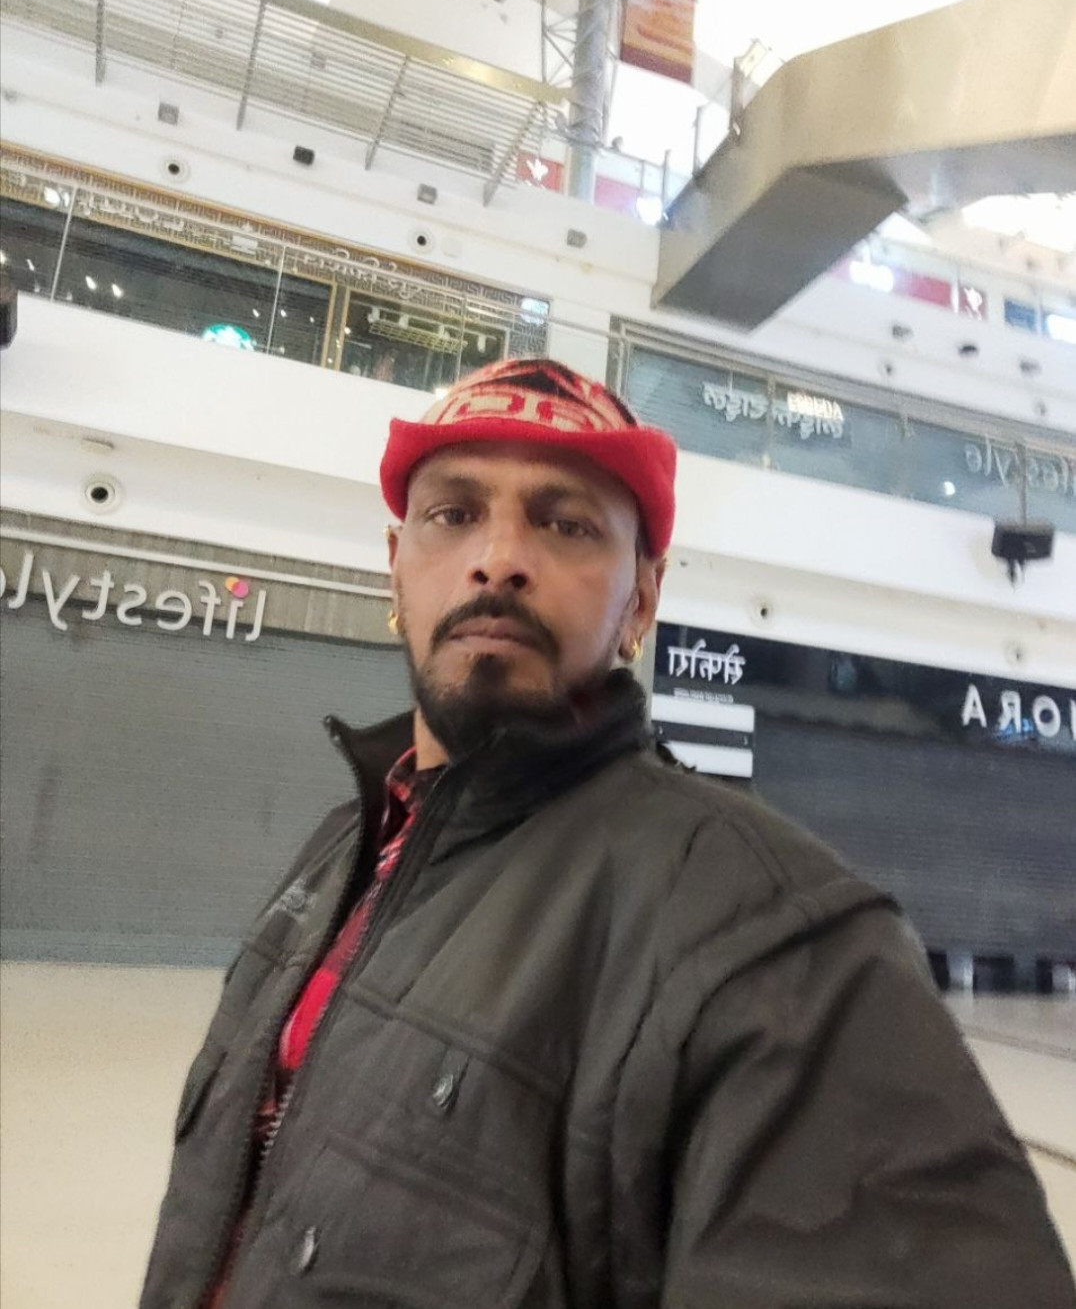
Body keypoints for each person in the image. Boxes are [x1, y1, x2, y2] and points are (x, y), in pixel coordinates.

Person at [140, 358, 1075, 1308]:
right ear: (396, 567)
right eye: (453, 513)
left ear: (641, 600)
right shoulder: (346, 845)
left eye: (566, 524)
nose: (498, 557)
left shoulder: (771, 942)